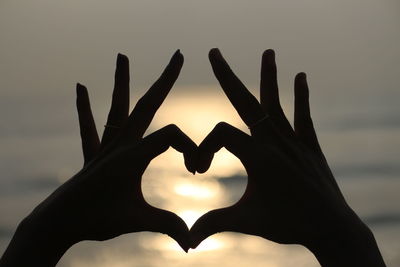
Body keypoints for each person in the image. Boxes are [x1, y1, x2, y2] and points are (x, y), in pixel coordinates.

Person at [0, 49, 386, 267]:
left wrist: (43, 234)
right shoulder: (336, 232)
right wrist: (345, 241)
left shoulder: (47, 231)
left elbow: (42, 239)